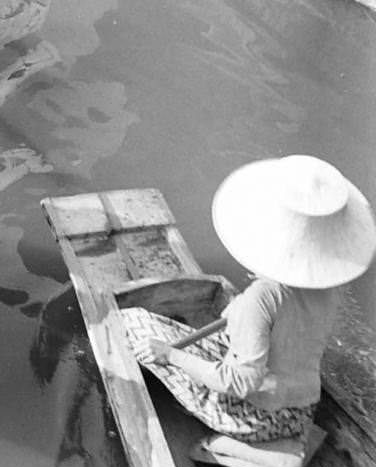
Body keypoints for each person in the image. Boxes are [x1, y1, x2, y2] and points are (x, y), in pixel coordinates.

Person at [127, 155, 376, 443]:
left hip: (254, 416)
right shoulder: (330, 283)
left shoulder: (262, 297)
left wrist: (170, 355)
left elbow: (241, 382)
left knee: (132, 321)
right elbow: (289, 322)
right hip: (301, 409)